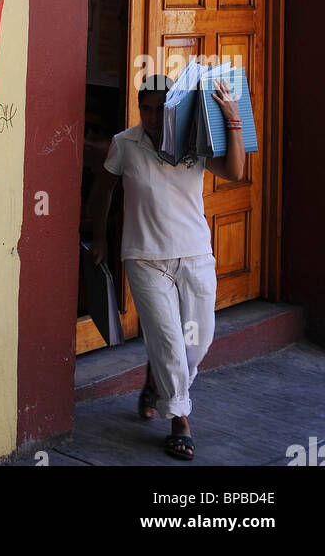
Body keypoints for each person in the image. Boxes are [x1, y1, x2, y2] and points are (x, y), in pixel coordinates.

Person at [88, 72, 246, 460]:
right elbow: (104, 189)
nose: (153, 117)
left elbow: (235, 172)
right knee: (169, 341)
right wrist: (100, 240)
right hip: (144, 258)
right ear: (139, 109)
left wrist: (233, 118)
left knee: (198, 340)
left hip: (194, 255)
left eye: (161, 109)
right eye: (146, 109)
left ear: (174, 107)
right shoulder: (125, 143)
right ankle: (179, 419)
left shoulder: (194, 139)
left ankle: (158, 380)